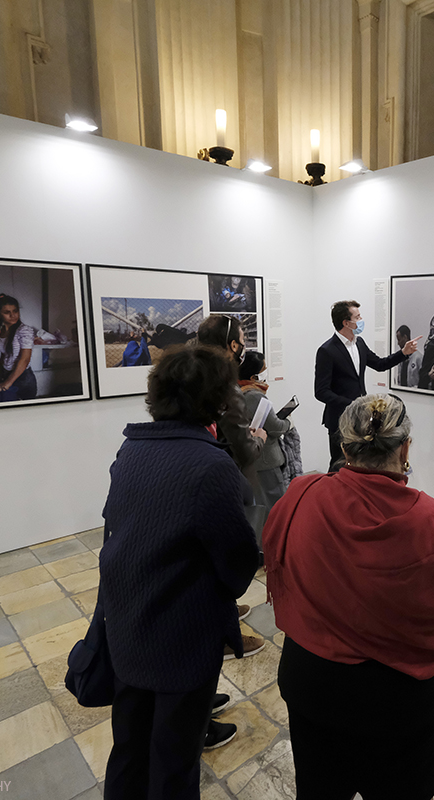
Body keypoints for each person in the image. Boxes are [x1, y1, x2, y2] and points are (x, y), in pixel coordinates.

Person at [263, 394, 434, 800]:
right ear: (405, 449)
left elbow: (276, 555)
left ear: (345, 447)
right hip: (402, 701)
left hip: (315, 687)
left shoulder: (301, 495)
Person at [100, 346, 263, 800]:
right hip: (181, 640)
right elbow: (237, 559)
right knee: (174, 761)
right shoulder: (211, 466)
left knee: (129, 751)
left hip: (128, 627)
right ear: (217, 398)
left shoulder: (131, 449)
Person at [314, 300, 419, 471]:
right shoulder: (327, 350)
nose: (361, 319)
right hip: (339, 419)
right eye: (358, 317)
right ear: (346, 323)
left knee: (359, 464)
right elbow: (321, 391)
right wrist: (352, 404)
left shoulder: (359, 343)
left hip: (361, 419)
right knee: (339, 464)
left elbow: (379, 364)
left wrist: (403, 353)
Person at [194, 314, 267, 478]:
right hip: (222, 473)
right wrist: (258, 439)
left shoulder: (190, 377)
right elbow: (246, 453)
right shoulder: (226, 387)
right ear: (233, 345)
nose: (244, 347)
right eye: (242, 341)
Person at [238, 350, 292, 542]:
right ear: (253, 375)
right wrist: (288, 423)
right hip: (266, 459)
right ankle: (273, 546)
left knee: (260, 503)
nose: (266, 374)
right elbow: (275, 427)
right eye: (264, 370)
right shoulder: (255, 396)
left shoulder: (237, 391)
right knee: (274, 504)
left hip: (252, 459)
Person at [0, 294, 38, 399]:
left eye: (15, 311)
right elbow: (3, 354)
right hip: (6, 374)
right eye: (7, 312)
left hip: (22, 377)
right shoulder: (0, 330)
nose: (13, 315)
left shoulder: (24, 330)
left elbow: (25, 359)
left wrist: (8, 382)